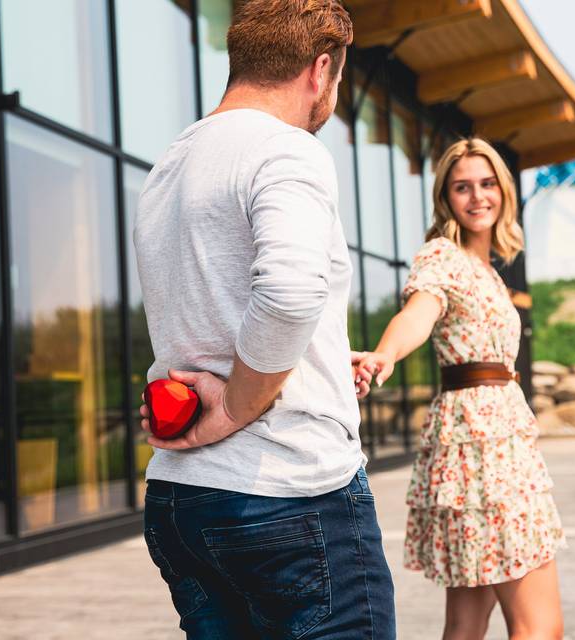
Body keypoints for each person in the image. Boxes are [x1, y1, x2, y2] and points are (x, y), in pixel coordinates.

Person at [132, 1, 395, 638]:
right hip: (286, 494)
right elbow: (289, 293)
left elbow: (216, 309)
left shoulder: (170, 165)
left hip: (182, 498)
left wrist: (323, 364)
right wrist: (237, 407)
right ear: (321, 68)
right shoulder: (287, 150)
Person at [355, 138, 567, 640]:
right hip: (481, 451)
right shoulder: (442, 258)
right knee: (541, 627)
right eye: (462, 187)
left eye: (487, 184)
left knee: (466, 626)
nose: (477, 197)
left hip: (488, 443)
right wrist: (385, 354)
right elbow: (419, 314)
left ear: (503, 191)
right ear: (446, 198)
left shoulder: (489, 269)